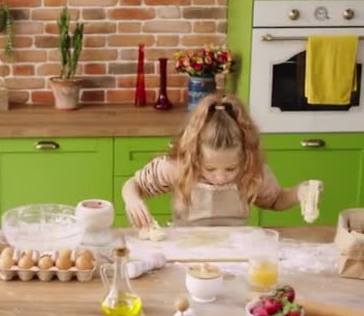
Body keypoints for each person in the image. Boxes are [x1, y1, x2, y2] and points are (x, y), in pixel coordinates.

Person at [122, 94, 321, 228]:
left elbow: (276, 200)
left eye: (231, 168)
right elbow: (134, 185)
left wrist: (299, 192)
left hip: (237, 251)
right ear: (194, 155)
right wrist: (133, 199)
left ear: (245, 156)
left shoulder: (251, 170)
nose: (220, 177)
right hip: (186, 249)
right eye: (210, 168)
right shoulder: (178, 167)